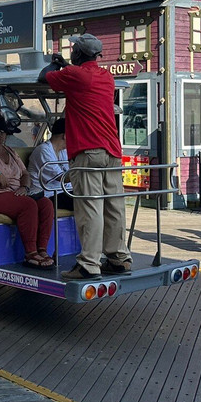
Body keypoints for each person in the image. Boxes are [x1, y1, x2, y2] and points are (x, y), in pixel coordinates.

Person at [40, 33, 132, 278]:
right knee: (114, 205)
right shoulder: (106, 76)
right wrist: (67, 65)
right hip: (112, 149)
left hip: (87, 150)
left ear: (78, 53)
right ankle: (119, 257)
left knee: (90, 207)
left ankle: (89, 264)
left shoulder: (73, 75)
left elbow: (45, 77)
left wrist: (56, 63)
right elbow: (81, 77)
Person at [0, 116, 54, 269]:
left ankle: (42, 249)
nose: (0, 135)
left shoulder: (11, 152)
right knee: (28, 205)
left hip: (12, 193)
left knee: (46, 203)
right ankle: (30, 253)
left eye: (3, 132)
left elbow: (25, 173)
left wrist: (24, 187)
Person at [27, 118, 74, 211]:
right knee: (84, 200)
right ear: (65, 136)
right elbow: (63, 178)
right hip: (47, 194)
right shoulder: (43, 150)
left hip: (62, 191)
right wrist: (85, 171)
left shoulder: (63, 151)